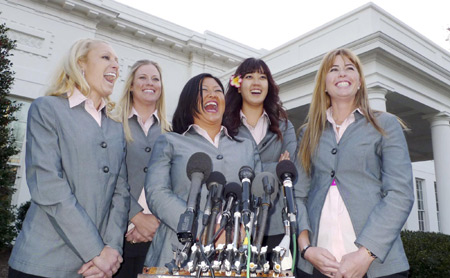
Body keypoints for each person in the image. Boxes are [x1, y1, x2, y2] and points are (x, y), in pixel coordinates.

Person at [8, 38, 129, 278]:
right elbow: (48, 185)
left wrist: (112, 251)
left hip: (96, 270)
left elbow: (120, 193)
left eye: (117, 61)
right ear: (80, 63)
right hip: (41, 264)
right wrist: (96, 252)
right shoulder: (47, 109)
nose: (115, 66)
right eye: (106, 57)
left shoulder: (116, 127)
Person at [295, 48, 414, 278]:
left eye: (350, 68)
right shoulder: (308, 134)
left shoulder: (386, 125)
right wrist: (306, 248)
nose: (342, 73)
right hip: (316, 266)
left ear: (359, 82)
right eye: (334, 69)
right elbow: (298, 196)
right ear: (324, 84)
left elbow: (400, 194)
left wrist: (365, 254)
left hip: (378, 266)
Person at [143, 73, 262, 267]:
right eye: (204, 91)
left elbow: (259, 197)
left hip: (235, 257)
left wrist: (241, 231)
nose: (212, 95)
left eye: (217, 91)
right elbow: (157, 193)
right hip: (177, 252)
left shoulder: (247, 146)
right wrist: (204, 229)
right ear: (189, 101)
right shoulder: (170, 141)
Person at [223, 58, 297, 256]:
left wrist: (245, 169)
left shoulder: (284, 125)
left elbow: (290, 170)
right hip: (233, 225)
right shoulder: (224, 125)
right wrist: (274, 168)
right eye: (249, 77)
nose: (256, 82)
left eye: (262, 77)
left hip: (275, 224)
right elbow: (223, 167)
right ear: (238, 86)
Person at [113, 60, 170, 277]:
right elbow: (107, 179)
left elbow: (172, 184)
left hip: (157, 235)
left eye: (155, 79)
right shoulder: (112, 123)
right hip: (117, 234)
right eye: (143, 78)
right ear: (130, 85)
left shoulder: (172, 132)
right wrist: (136, 217)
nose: (150, 83)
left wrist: (154, 223)